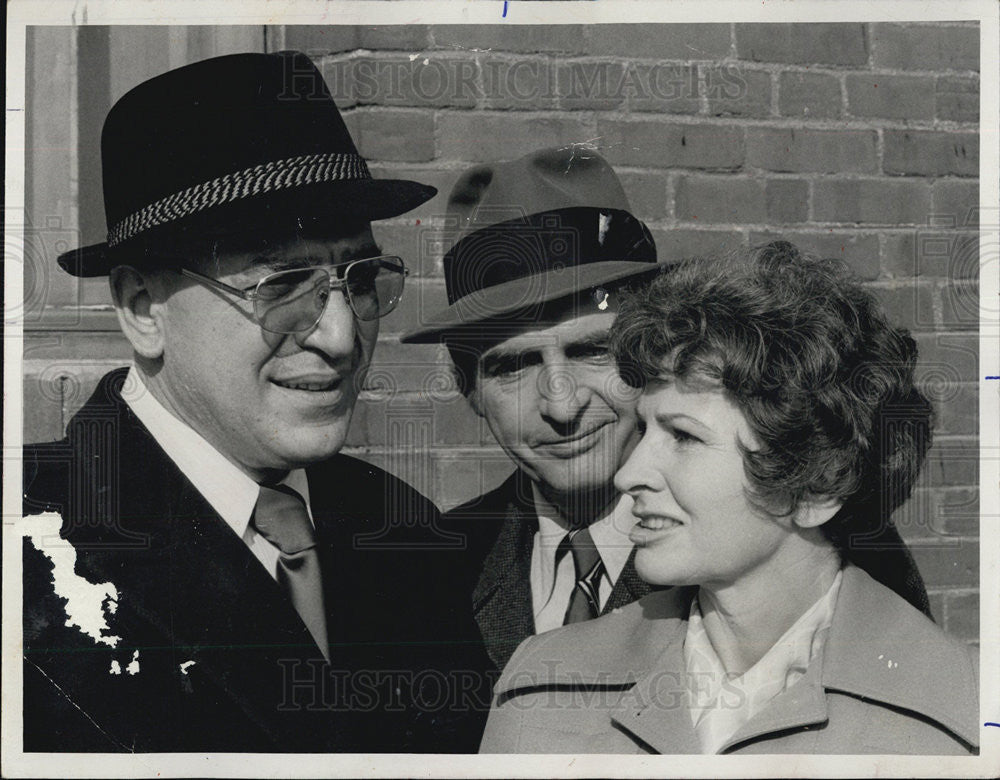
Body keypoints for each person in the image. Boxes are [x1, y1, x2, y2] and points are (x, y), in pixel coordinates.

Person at [21, 51, 485, 753]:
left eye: (359, 279)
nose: (340, 336)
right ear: (143, 307)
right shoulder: (32, 543)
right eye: (281, 285)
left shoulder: (400, 528)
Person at [480, 241, 978, 755]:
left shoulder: (962, 715)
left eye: (684, 436)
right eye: (646, 429)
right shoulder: (539, 685)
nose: (629, 474)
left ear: (817, 482)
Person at [402, 146, 671, 676]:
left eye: (592, 351)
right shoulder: (428, 574)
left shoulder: (759, 541)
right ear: (469, 388)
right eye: (515, 366)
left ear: (654, 353)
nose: (562, 405)